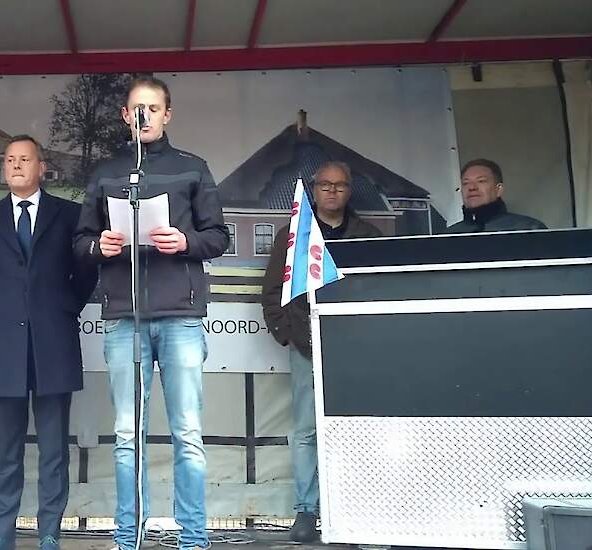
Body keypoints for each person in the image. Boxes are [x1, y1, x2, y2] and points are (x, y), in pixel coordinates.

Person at [73, 75, 230, 550]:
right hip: (125, 316)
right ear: (125, 115)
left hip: (180, 316)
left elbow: (220, 237)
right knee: (127, 434)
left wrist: (186, 242)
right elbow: (80, 242)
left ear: (167, 114)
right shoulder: (105, 172)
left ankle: (194, 539)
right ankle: (128, 538)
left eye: (152, 108)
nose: (143, 115)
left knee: (187, 432)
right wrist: (100, 245)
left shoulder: (192, 168)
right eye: (135, 108)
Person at [0, 135, 98, 550]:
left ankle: (49, 532)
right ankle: (2, 530)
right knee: (7, 447)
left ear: (42, 167)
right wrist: (3, 308)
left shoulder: (69, 215)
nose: (16, 165)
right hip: (5, 342)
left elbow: (86, 273)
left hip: (53, 341)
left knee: (54, 446)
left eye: (25, 159)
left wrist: (62, 307)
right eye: (10, 159)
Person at [260, 161, 381, 543]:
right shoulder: (293, 235)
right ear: (314, 189)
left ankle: (358, 510)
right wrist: (288, 333)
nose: (332, 191)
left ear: (349, 191)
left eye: (340, 185)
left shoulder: (368, 236)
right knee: (306, 431)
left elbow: (379, 292)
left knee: (358, 430)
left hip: (357, 349)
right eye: (324, 185)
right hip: (307, 346)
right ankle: (306, 511)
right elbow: (271, 292)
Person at [444, 158, 547, 233]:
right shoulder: (448, 236)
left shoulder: (529, 229)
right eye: (466, 183)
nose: (472, 187)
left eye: (481, 181)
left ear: (499, 189)